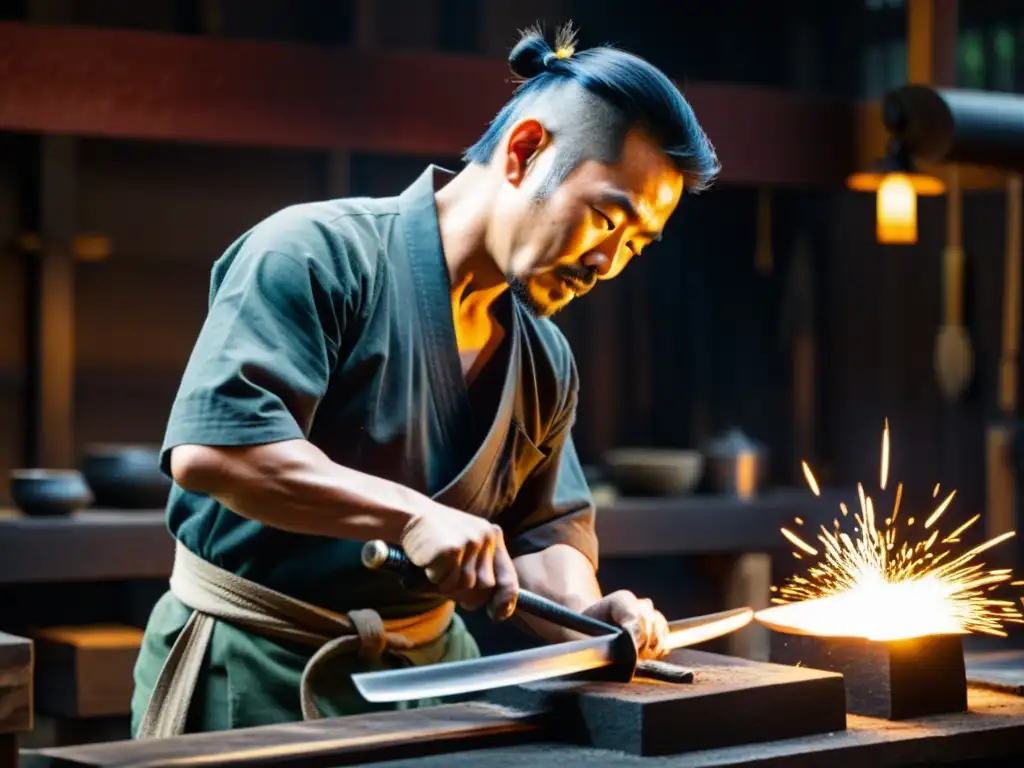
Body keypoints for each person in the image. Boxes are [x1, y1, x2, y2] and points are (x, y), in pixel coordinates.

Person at [131, 23, 720, 738]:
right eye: (605, 219)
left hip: (435, 686)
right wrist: (412, 516)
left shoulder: (544, 357)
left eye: (633, 244)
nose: (609, 262)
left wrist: (588, 614)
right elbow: (216, 453)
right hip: (255, 670)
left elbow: (541, 536)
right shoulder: (316, 254)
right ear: (525, 151)